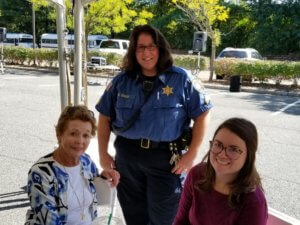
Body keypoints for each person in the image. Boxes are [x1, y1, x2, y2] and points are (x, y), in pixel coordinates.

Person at [95, 24, 213, 225]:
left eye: (151, 46)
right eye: (140, 47)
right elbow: (104, 117)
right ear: (134, 51)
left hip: (166, 160)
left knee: (164, 219)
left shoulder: (181, 79)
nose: (146, 52)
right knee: (134, 218)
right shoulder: (122, 81)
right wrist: (103, 155)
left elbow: (203, 113)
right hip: (128, 159)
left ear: (161, 49)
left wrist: (192, 154)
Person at [25, 105, 120, 225]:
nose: (80, 141)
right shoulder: (41, 172)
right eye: (73, 134)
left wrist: (105, 176)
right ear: (59, 134)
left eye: (86, 135)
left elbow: (93, 187)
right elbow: (49, 222)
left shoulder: (86, 161)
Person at [173, 117, 268, 225]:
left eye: (233, 149)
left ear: (249, 156)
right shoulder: (196, 174)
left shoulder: (253, 202)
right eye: (218, 145)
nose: (222, 154)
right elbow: (180, 220)